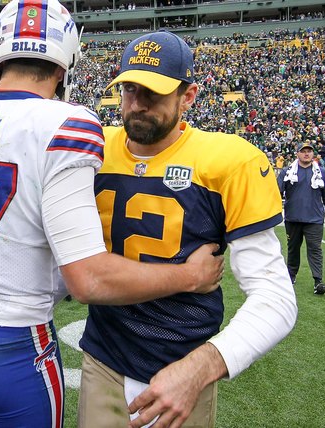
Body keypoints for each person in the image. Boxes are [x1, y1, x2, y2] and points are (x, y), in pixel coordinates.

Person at [0, 5, 224, 428]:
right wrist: (190, 277)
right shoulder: (65, 123)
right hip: (11, 349)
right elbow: (88, 279)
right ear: (64, 60)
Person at [78, 31, 297, 428]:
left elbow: (276, 298)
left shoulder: (229, 160)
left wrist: (199, 368)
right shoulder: (93, 150)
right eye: (130, 89)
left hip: (182, 362)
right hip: (103, 358)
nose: (138, 104)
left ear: (189, 95)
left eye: (154, 93)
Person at [278, 141, 325, 295]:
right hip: (293, 218)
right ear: (297, 153)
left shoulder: (321, 172)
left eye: (309, 151)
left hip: (314, 219)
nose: (306, 153)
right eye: (303, 151)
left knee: (315, 249)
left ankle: (318, 281)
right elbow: (277, 194)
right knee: (293, 249)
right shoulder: (287, 172)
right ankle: (291, 276)